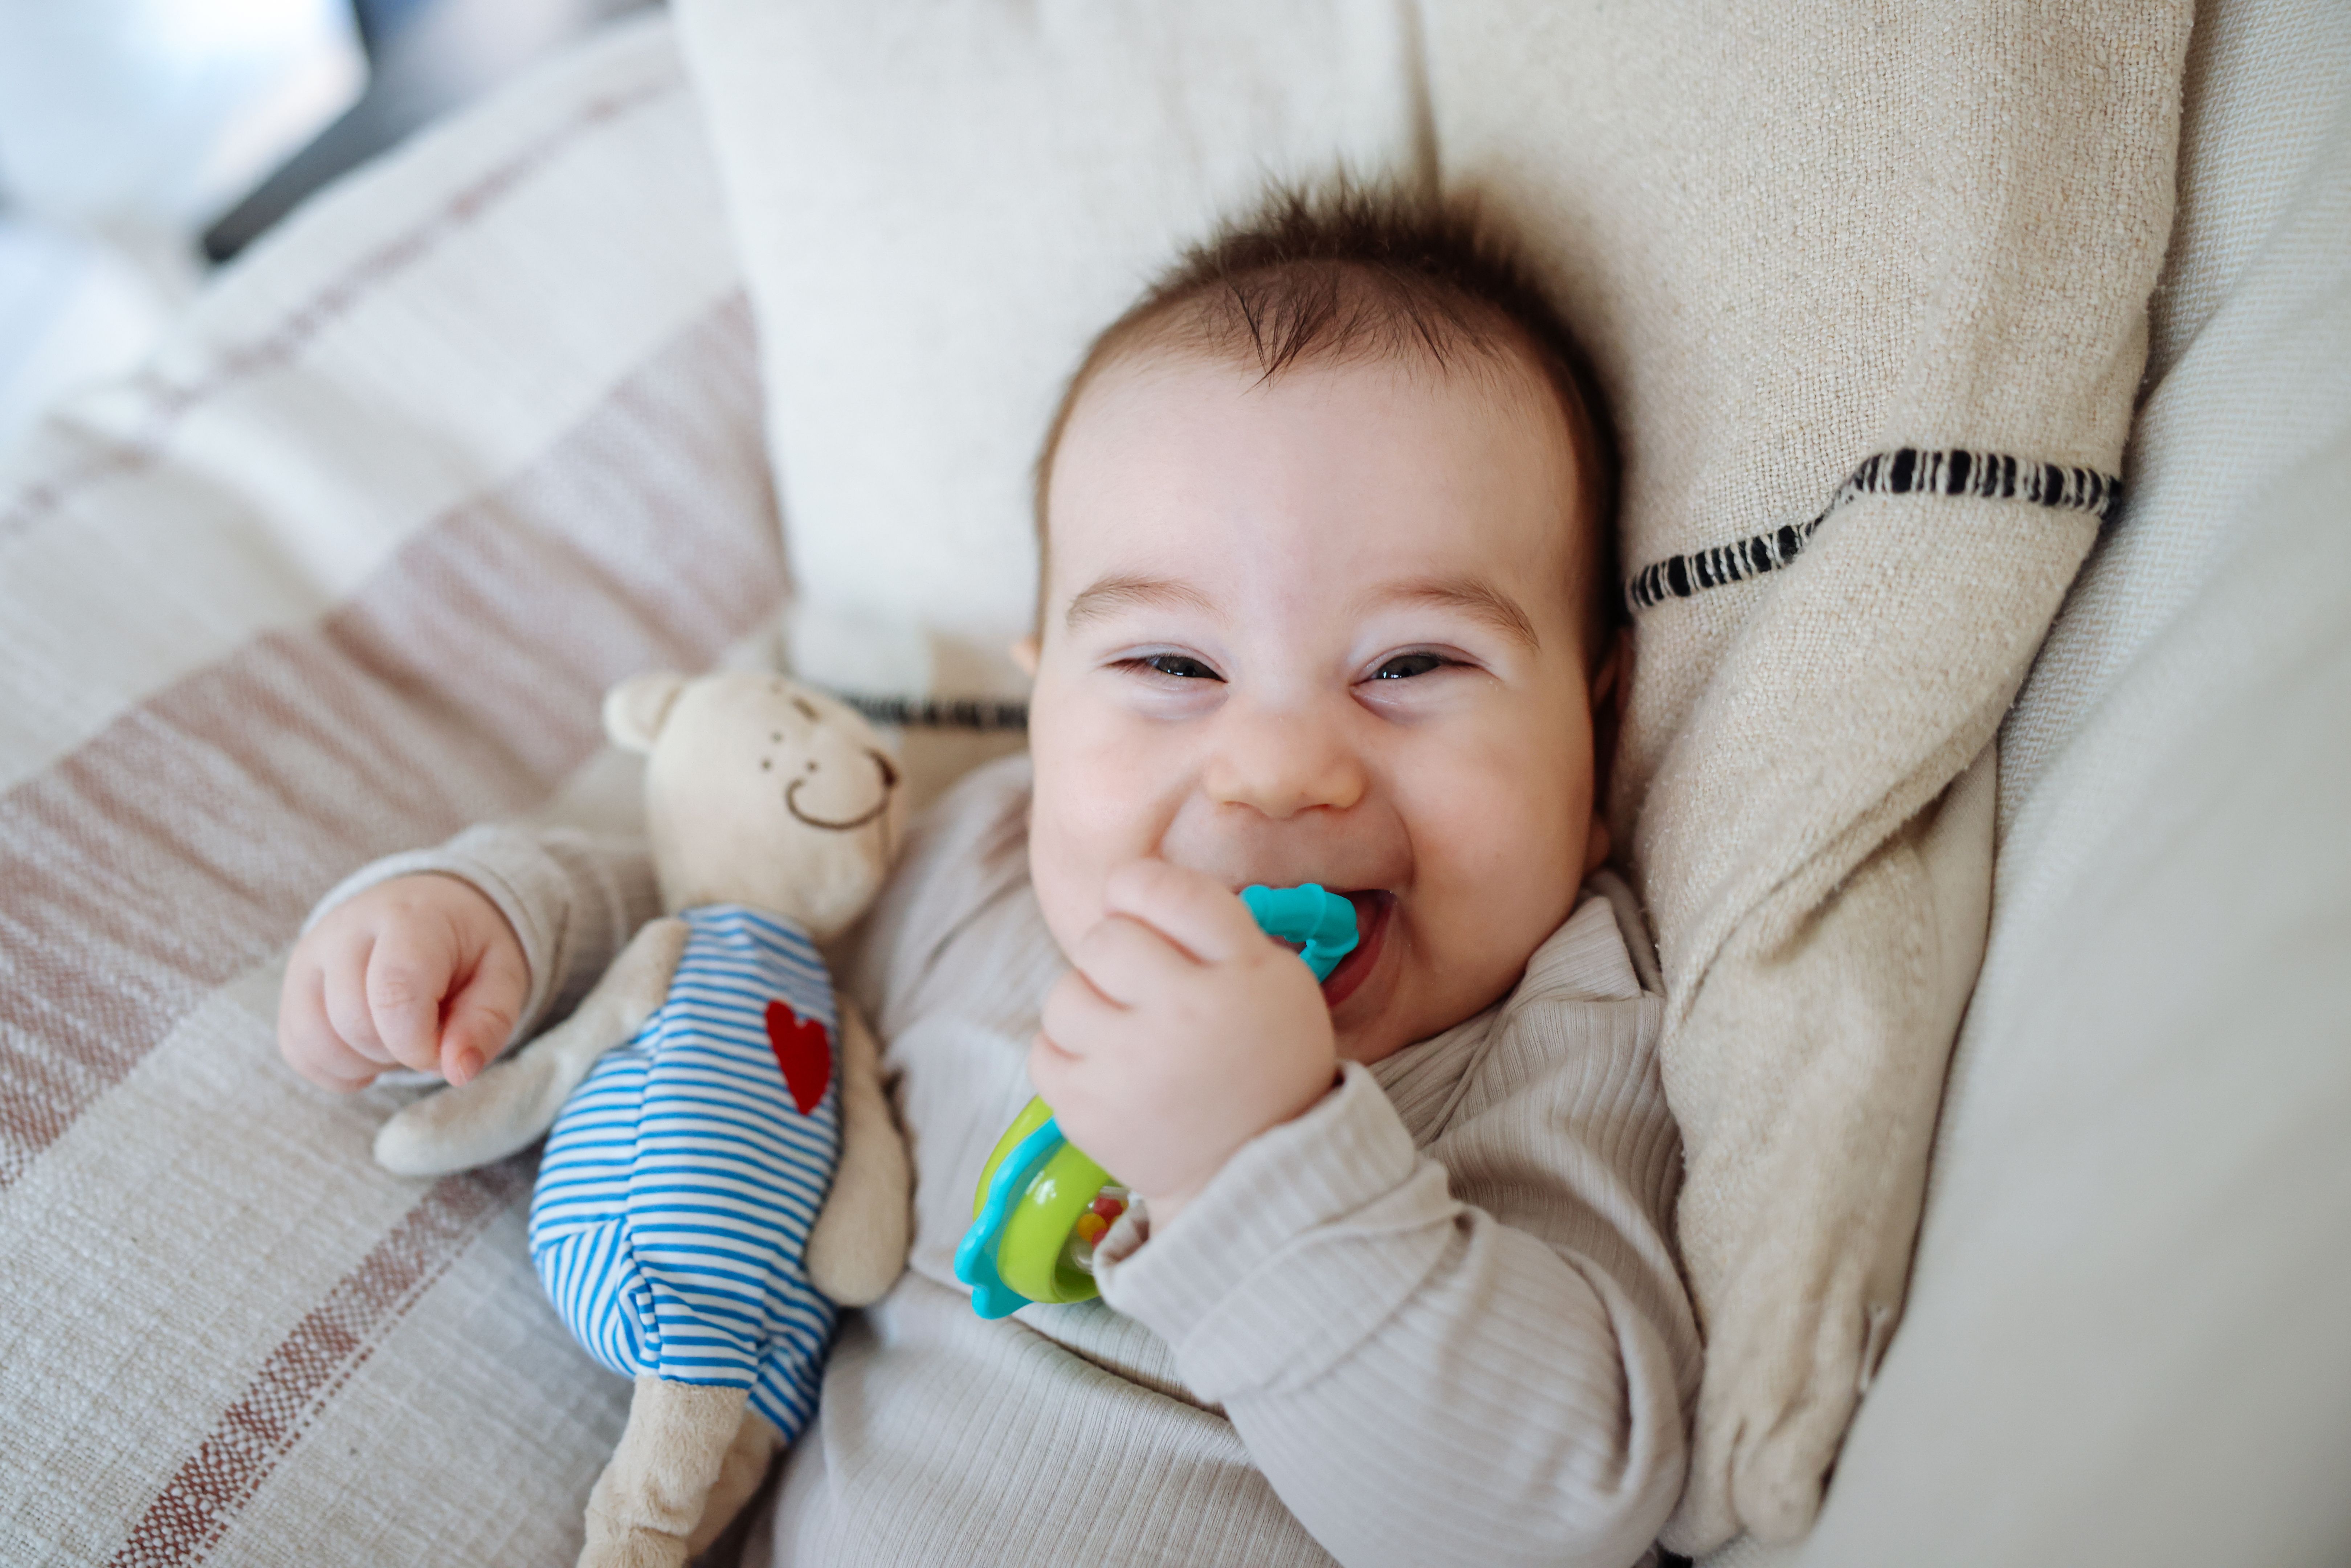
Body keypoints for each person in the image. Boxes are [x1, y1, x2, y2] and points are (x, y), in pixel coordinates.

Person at [278, 184, 1700, 1568]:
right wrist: (505, 936)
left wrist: (1251, 1162)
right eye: (1169, 666)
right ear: (1043, 715)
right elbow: (719, 948)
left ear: (1597, 729)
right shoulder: (979, 873)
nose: (1275, 769)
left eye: (1411, 666)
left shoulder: (1564, 1029)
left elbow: (1561, 1507)